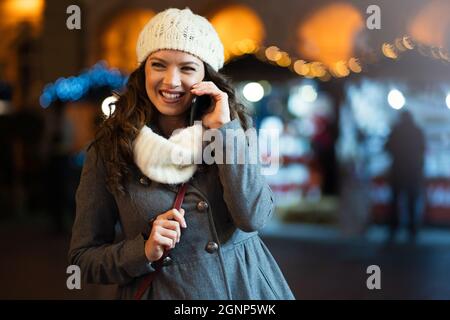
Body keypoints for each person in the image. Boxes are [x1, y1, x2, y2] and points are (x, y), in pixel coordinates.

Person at [68, 7, 295, 300]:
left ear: (206, 75)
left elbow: (252, 217)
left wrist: (224, 132)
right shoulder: (111, 147)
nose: (171, 81)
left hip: (243, 291)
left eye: (187, 68)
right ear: (143, 70)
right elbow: (83, 259)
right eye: (159, 65)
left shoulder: (234, 128)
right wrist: (143, 250)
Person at [385, 110, 426, 241]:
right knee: (411, 201)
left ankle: (394, 228)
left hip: (398, 170)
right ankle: (412, 230)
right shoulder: (417, 131)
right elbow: (423, 149)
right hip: (412, 171)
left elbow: (387, 147)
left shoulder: (396, 130)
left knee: (396, 201)